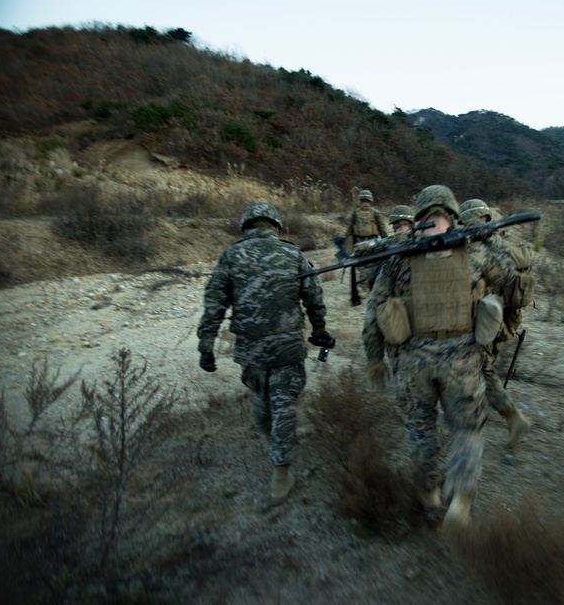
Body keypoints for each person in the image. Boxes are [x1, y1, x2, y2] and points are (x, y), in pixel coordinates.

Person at [361, 185, 525, 528]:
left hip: (412, 360)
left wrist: (375, 358)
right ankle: (461, 499)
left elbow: (374, 311)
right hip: (462, 359)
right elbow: (513, 284)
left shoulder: (399, 256)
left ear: (418, 217)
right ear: (452, 214)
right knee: (466, 428)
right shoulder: (477, 253)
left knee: (420, 429)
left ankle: (430, 495)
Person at [197, 202, 330, 502]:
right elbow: (314, 296)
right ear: (276, 227)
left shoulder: (231, 255)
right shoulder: (293, 254)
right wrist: (319, 330)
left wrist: (206, 346)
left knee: (260, 396)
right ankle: (281, 471)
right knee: (284, 404)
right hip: (287, 347)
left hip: (250, 349)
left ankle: (268, 438)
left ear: (245, 228)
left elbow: (214, 303)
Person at [458, 198, 533, 450]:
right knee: (485, 368)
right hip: (504, 318)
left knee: (482, 371)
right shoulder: (506, 242)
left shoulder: (480, 247)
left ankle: (513, 417)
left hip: (483, 320)